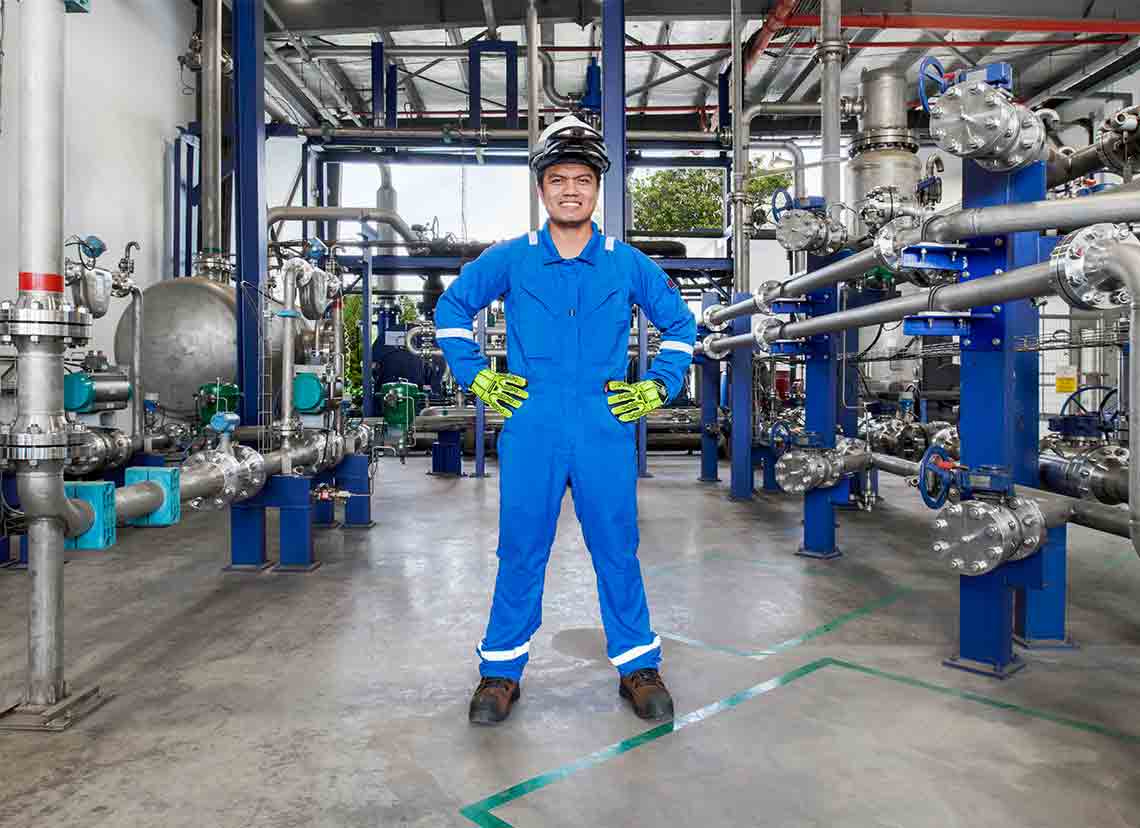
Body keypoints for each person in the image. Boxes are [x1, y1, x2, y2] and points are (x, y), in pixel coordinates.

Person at [434, 115, 697, 725]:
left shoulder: (625, 263)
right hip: (532, 425)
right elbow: (451, 310)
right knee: (521, 549)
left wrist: (657, 387)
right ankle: (500, 673)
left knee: (617, 548)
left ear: (598, 187)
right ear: (541, 188)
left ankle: (637, 665)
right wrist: (477, 377)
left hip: (604, 426)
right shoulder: (512, 260)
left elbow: (680, 326)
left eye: (582, 178)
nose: (571, 189)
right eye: (558, 179)